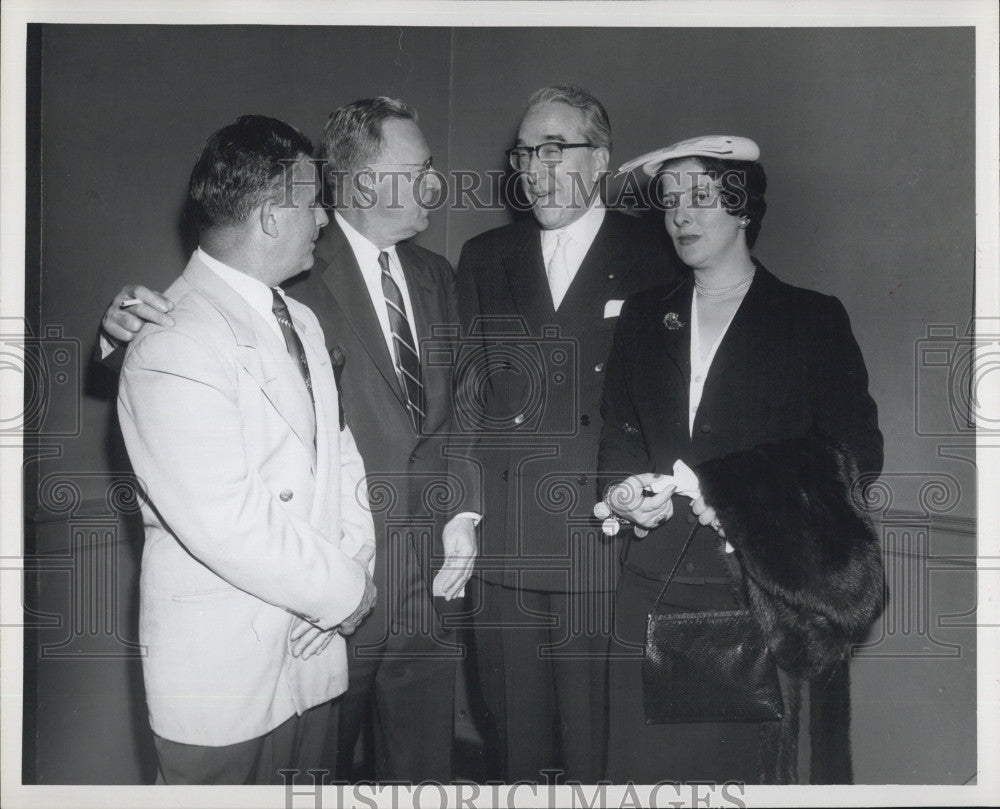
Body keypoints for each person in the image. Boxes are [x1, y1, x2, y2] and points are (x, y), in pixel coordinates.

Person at [101, 98, 480, 783]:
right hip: (289, 619)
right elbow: (219, 500)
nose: (435, 183)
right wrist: (343, 587)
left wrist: (450, 518)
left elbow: (399, 435)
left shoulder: (383, 291)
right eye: (419, 167)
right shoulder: (258, 285)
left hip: (401, 585)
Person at [597, 135, 884, 784]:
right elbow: (621, 430)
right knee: (647, 782)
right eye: (670, 200)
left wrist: (739, 495)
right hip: (654, 586)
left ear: (743, 207)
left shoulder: (809, 319)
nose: (680, 215)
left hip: (760, 593)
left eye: (699, 197)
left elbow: (856, 453)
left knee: (749, 778)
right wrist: (622, 492)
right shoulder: (645, 315)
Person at [115, 114, 377, 784]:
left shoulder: (306, 320)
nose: (323, 219)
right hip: (223, 685)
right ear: (269, 217)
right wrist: (345, 591)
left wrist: (350, 569)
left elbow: (342, 462)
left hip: (313, 658)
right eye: (314, 202)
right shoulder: (170, 338)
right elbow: (225, 517)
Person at [455, 85, 683, 782]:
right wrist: (462, 514)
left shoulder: (658, 256)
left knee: (599, 756)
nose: (535, 168)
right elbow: (464, 404)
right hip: (504, 556)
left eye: (556, 149)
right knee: (513, 755)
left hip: (602, 551)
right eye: (525, 152)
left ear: (602, 159)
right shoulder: (485, 255)